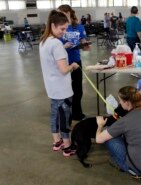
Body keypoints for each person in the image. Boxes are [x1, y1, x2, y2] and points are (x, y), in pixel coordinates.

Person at [96, 86, 141, 180]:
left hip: (140, 169)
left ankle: (122, 164)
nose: (119, 103)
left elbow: (98, 139)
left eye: (120, 101)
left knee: (109, 135)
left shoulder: (125, 121)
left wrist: (100, 125)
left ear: (127, 103)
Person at [39, 10, 79, 156]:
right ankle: (67, 147)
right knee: (65, 117)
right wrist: (73, 65)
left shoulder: (44, 41)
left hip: (52, 87)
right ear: (53, 25)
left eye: (66, 29)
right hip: (62, 89)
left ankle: (57, 141)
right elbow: (63, 70)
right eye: (62, 29)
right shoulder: (56, 44)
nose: (64, 32)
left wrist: (63, 48)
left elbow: (52, 61)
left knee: (55, 114)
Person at [58, 4, 90, 121]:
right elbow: (53, 46)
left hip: (76, 61)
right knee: (65, 91)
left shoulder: (79, 27)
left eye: (64, 13)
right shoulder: (58, 28)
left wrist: (86, 45)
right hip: (62, 63)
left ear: (70, 13)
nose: (62, 16)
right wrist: (63, 46)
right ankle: (66, 116)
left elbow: (83, 41)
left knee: (78, 90)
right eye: (60, 14)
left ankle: (77, 113)